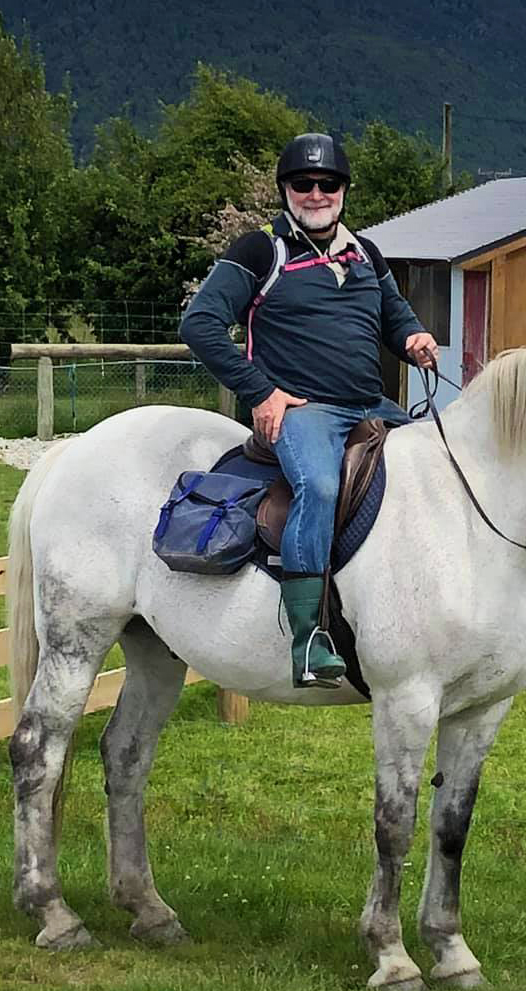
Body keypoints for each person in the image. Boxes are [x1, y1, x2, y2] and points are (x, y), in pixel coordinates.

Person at [180, 133, 439, 688]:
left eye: (329, 183)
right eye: (304, 183)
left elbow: (393, 316)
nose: (317, 193)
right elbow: (199, 322)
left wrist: (414, 336)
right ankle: (308, 638)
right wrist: (261, 392)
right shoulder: (261, 250)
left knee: (435, 467)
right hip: (304, 412)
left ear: (344, 190)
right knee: (318, 488)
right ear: (286, 190)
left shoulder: (364, 252)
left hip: (371, 405)